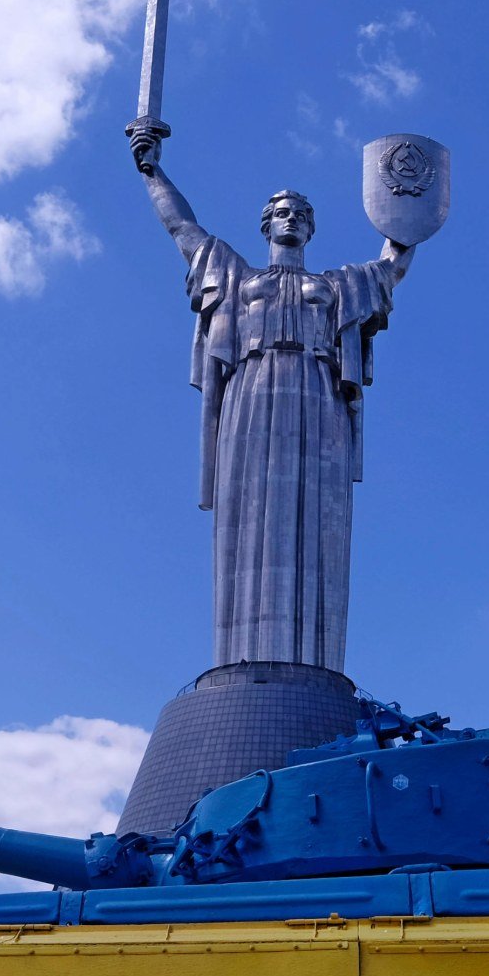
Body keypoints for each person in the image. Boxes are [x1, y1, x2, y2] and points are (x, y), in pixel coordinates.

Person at [128, 119, 414, 672]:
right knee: (249, 510)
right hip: (251, 392)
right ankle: (243, 659)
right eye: (281, 212)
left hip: (316, 392)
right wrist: (152, 170)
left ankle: (313, 660)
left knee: (317, 521)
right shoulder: (237, 277)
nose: (291, 220)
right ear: (267, 224)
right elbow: (181, 230)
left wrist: (407, 215)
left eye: (300, 215)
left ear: (310, 231)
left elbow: (393, 266)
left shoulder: (335, 286)